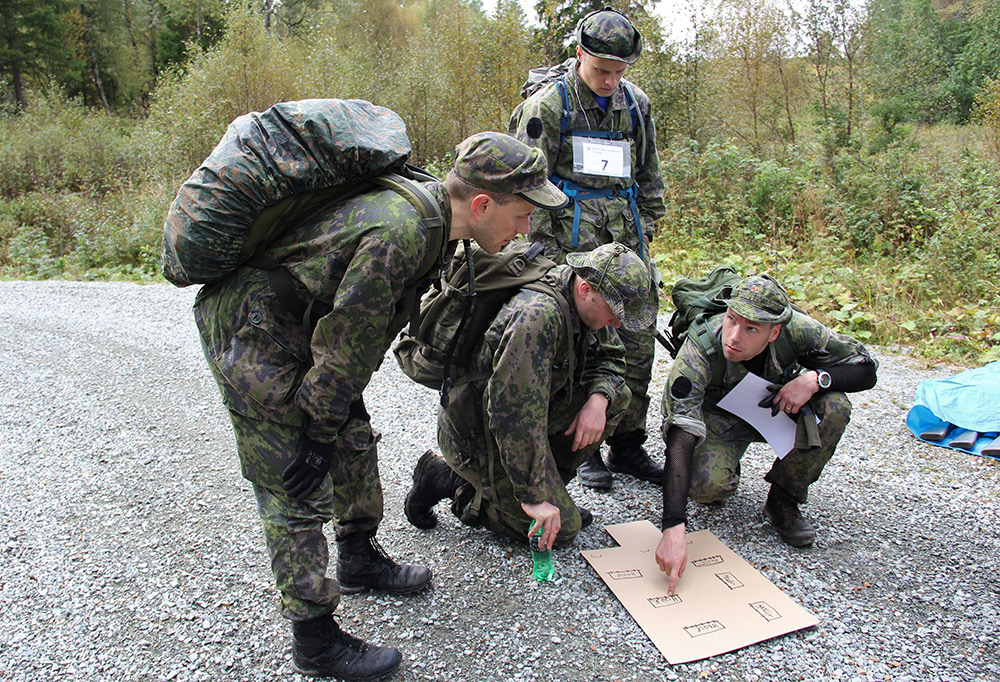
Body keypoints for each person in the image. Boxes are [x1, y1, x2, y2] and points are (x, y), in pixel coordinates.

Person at [194, 132, 567, 680]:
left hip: (308, 332)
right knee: (294, 479)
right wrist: (316, 432)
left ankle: (358, 556)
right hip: (256, 334)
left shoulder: (439, 223)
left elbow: (351, 346)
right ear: (483, 205)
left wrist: (333, 421)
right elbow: (346, 341)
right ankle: (314, 637)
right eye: (522, 214)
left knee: (351, 437)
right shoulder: (404, 232)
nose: (525, 229)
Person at [403, 242, 657, 552]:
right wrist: (534, 497)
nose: (617, 322)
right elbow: (512, 419)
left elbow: (613, 358)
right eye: (615, 312)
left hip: (526, 416)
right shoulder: (537, 318)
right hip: (479, 435)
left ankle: (536, 490)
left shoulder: (585, 300)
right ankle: (448, 481)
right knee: (563, 532)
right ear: (585, 288)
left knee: (617, 398)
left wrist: (599, 397)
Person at [509, 8, 666, 490]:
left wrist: (649, 229)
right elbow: (525, 188)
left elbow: (649, 175)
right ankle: (586, 445)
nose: (610, 81)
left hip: (625, 244)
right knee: (583, 344)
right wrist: (548, 261)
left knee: (636, 339)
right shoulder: (548, 107)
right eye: (601, 70)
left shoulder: (635, 105)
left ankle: (627, 442)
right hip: (569, 251)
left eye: (619, 72)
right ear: (579, 55)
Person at [654, 275, 878, 594]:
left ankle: (784, 499)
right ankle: (724, 461)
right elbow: (681, 433)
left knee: (835, 407)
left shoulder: (798, 329)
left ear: (774, 332)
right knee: (707, 488)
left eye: (751, 329)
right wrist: (673, 525)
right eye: (731, 320)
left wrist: (816, 379)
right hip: (718, 416)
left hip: (774, 407)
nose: (733, 336)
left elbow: (865, 370)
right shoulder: (701, 345)